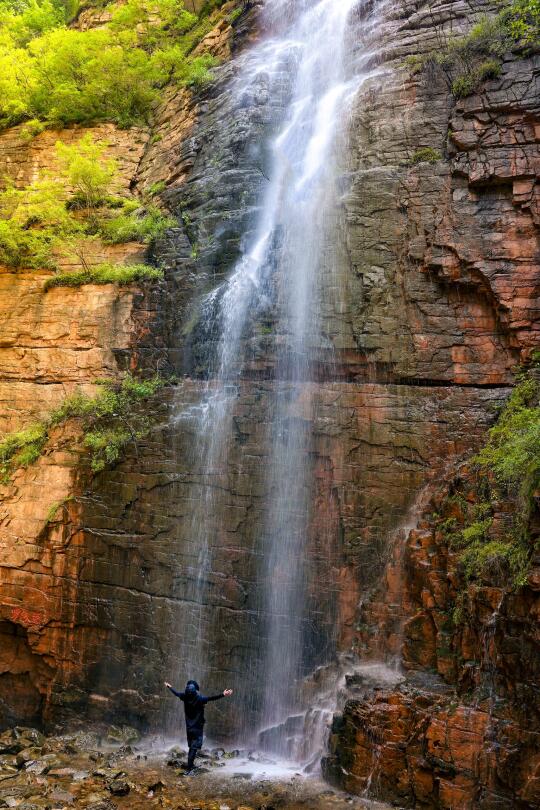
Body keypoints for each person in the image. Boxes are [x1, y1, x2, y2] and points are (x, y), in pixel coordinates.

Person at [164, 679, 233, 774]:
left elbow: (176, 693)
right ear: (195, 691)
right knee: (194, 748)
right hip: (197, 728)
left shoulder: (184, 697)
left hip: (189, 728)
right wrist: (223, 694)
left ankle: (190, 765)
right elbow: (211, 698)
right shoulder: (200, 699)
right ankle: (189, 769)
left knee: (192, 747)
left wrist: (169, 687)